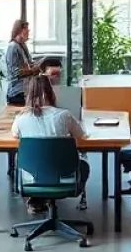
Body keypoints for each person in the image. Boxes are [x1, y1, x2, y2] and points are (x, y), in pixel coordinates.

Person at [12, 74, 90, 211]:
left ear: (29, 95)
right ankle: (42, 200)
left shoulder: (21, 119)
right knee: (83, 162)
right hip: (65, 177)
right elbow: (82, 136)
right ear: (51, 92)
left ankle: (37, 199)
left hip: (31, 180)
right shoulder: (65, 115)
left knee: (31, 160)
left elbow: (15, 134)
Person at [5, 20, 41, 106]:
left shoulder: (23, 45)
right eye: (26, 29)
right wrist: (32, 71)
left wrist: (36, 66)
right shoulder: (12, 47)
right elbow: (14, 72)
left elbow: (29, 63)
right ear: (20, 31)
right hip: (17, 92)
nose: (28, 31)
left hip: (26, 89)